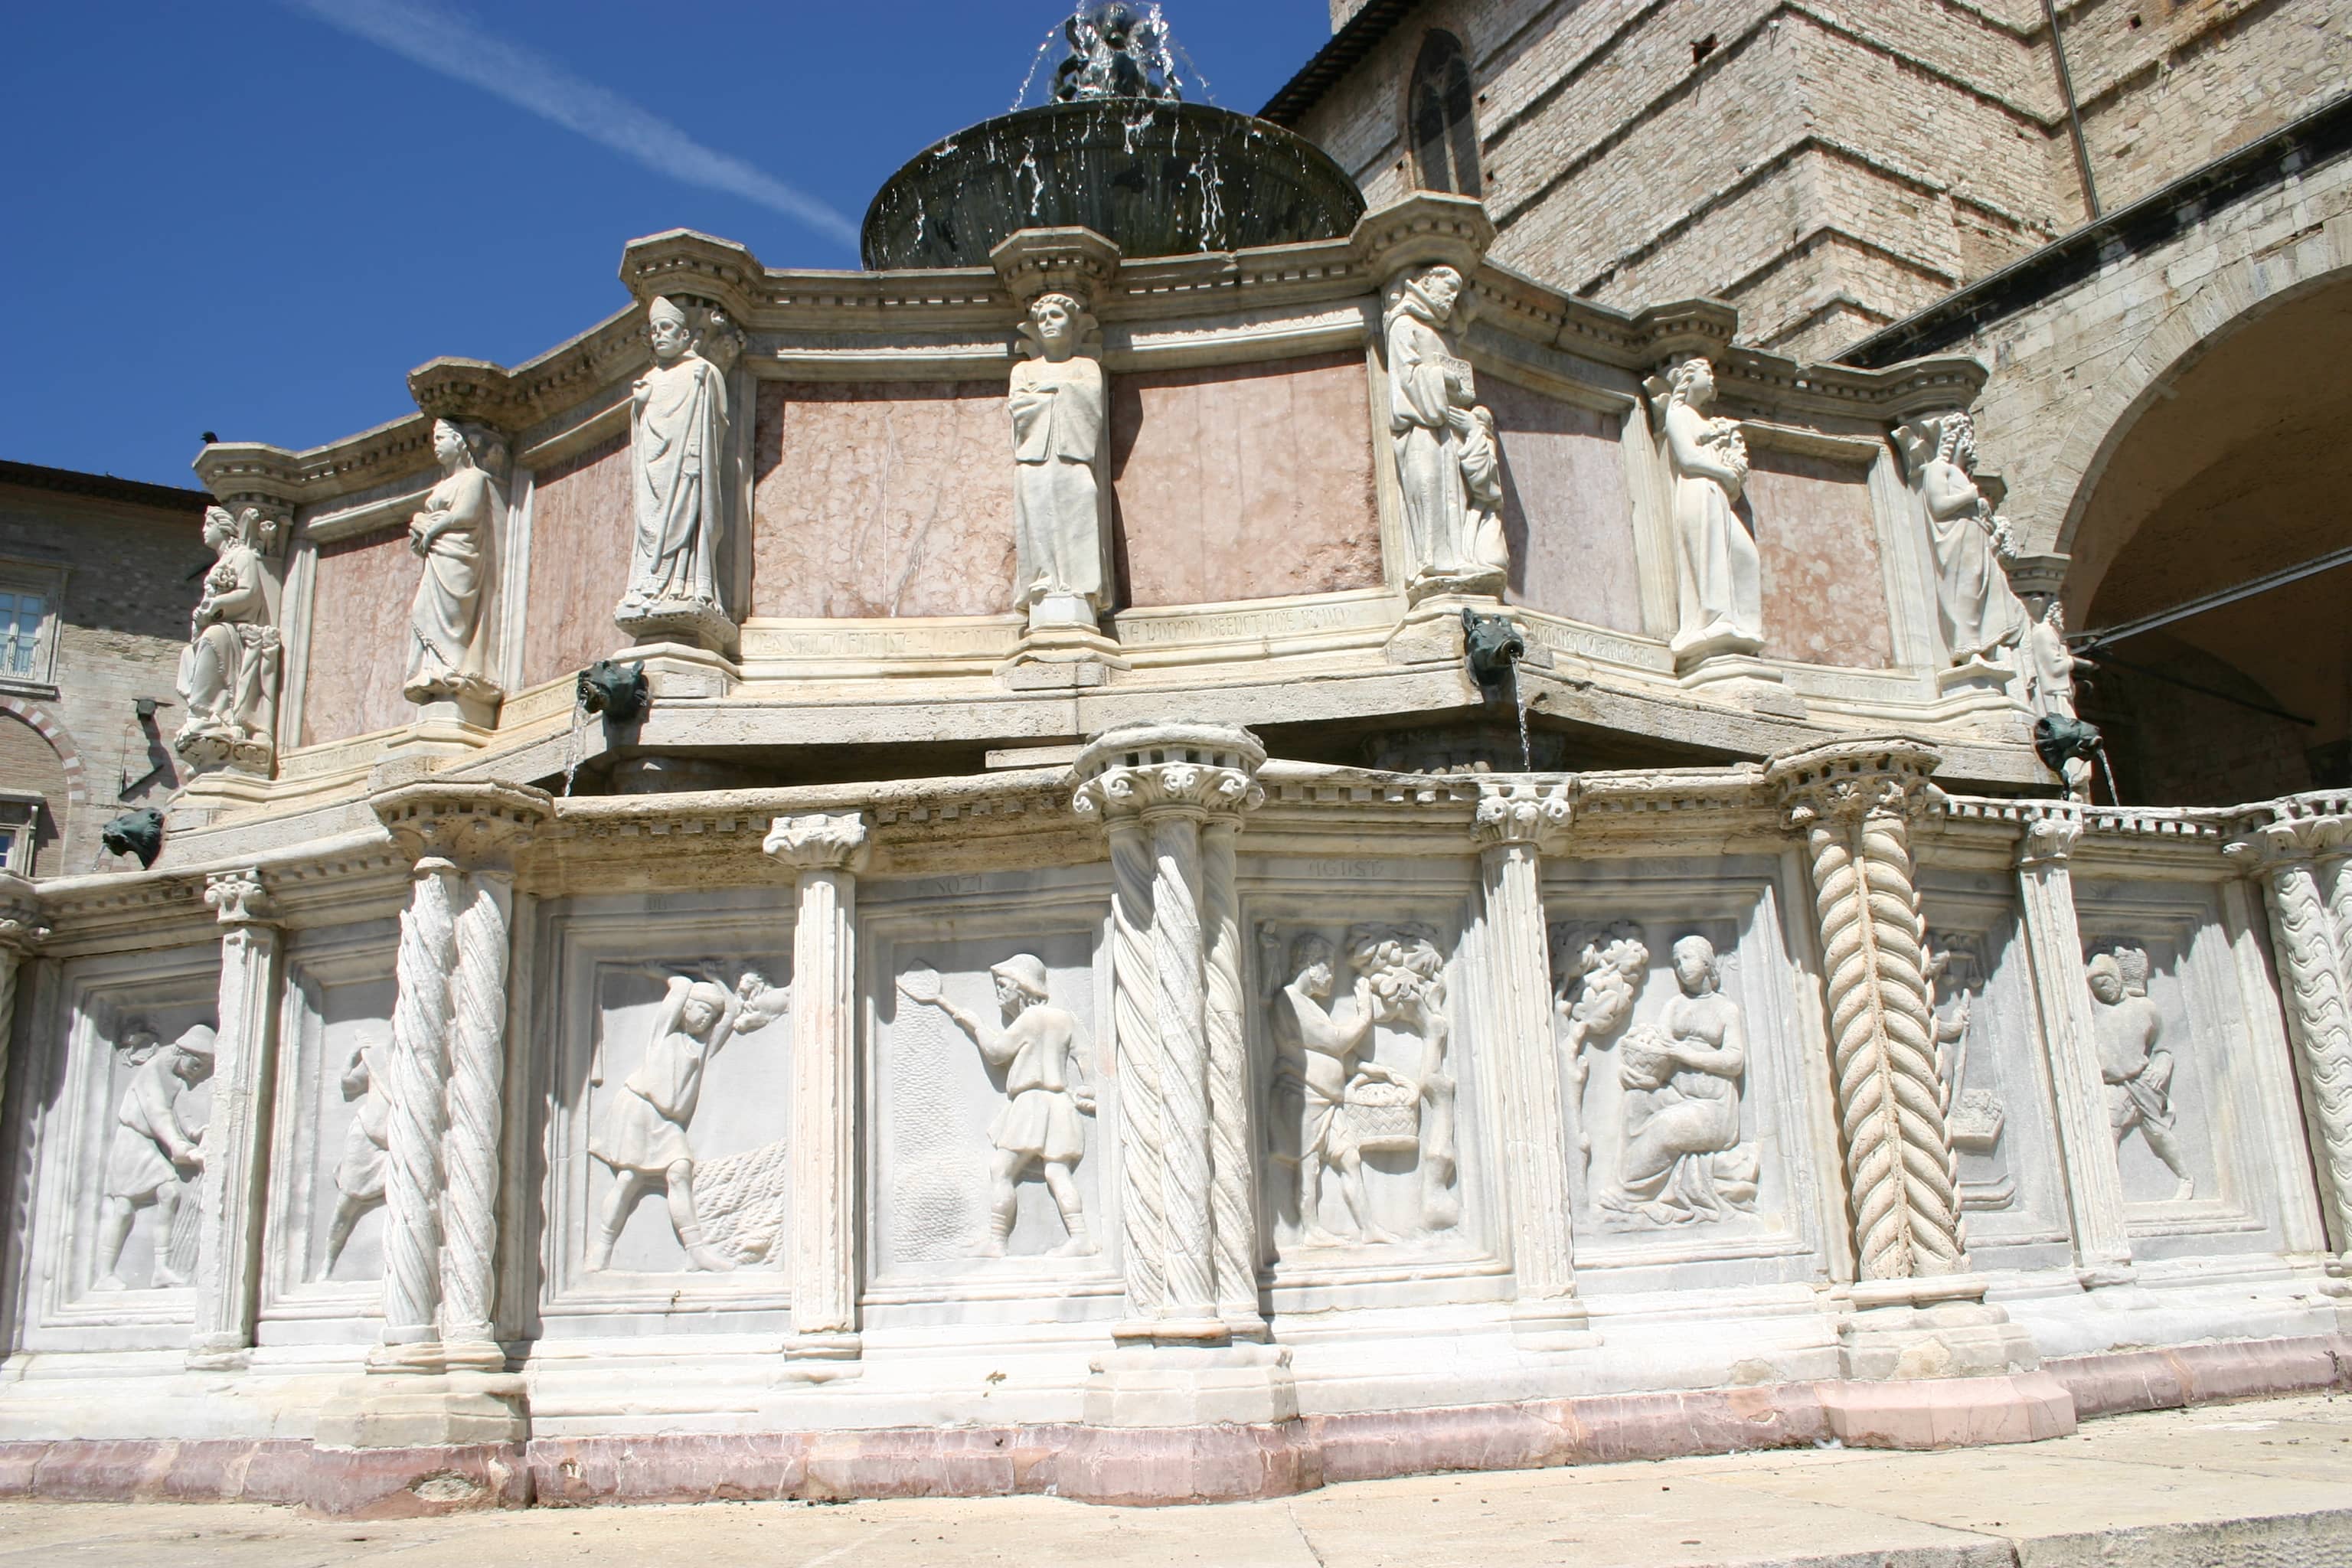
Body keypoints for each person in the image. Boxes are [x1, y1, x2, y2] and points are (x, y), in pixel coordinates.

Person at [914, 954, 1097, 1256]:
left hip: (1031, 1105)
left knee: (1001, 1169)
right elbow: (1086, 1054)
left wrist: (976, 1025)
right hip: (1059, 1105)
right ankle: (1081, 1238)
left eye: (1003, 985)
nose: (999, 992)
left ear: (1023, 987)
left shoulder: (1030, 1019)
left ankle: (997, 1242)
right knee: (1057, 1172)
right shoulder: (1065, 1019)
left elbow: (997, 1051)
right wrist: (1089, 1085)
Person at [589, 975, 754, 1272]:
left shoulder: (701, 1047)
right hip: (639, 1110)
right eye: (702, 1010)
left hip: (666, 1122)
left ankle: (695, 1251)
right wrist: (672, 976)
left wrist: (717, 979)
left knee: (679, 1171)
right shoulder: (663, 1035)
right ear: (686, 1008)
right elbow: (678, 991)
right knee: (628, 1179)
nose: (705, 1019)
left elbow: (729, 1014)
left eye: (710, 1016)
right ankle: (602, 1247)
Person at [1601, 936, 1756, 1223]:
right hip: (1676, 1093)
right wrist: (1640, 1063)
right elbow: (1661, 1045)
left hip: (1714, 1106)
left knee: (1667, 1125)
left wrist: (1686, 1053)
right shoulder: (1674, 1005)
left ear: (1706, 962)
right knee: (1636, 1102)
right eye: (1675, 962)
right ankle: (1627, 1183)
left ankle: (1632, 1196)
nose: (1680, 967)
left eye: (1686, 958)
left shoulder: (1725, 1009)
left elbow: (1735, 1061)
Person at [1269, 934, 1400, 1246]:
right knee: (1309, 1165)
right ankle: (1311, 1231)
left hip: (1327, 1100)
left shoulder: (1311, 1006)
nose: (1331, 975)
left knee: (1350, 1158)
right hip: (1303, 1097)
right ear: (1309, 965)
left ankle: (1368, 1228)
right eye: (1327, 967)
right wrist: (1365, 1014)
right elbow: (1335, 1041)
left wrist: (1364, 1068)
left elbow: (1324, 1052)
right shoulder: (1288, 1001)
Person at [623, 296, 730, 630]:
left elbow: (718, 421)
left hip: (687, 466)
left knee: (688, 518)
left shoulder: (701, 371)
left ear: (686, 335)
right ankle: (650, 583)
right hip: (655, 473)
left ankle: (685, 586)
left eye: (667, 328)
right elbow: (642, 438)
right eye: (654, 330)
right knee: (651, 521)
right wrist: (639, 407)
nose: (659, 335)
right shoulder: (650, 378)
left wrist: (697, 450)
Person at [1007, 293, 1108, 622]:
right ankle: (1043, 584)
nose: (1048, 322)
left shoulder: (1086, 367)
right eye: (1042, 317)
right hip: (1034, 455)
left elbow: (1090, 402)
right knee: (1037, 516)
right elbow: (1020, 408)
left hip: (1073, 453)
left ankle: (1081, 588)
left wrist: (1045, 394)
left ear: (1073, 324)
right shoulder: (1023, 370)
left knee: (1082, 503)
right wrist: (1061, 392)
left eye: (1056, 315)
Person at [94, 1023, 214, 1290]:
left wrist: (196, 1133)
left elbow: (180, 1114)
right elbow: (158, 1113)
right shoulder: (153, 1070)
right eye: (196, 1064)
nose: (197, 1072)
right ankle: (104, 1275)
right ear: (183, 1052)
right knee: (124, 1208)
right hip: (133, 1142)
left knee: (169, 1193)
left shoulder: (177, 1079)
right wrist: (178, 1147)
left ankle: (161, 1270)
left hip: (149, 1145)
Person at [1655, 357, 1760, 661]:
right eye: (1706, 373)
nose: (1712, 378)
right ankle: (1714, 621)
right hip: (1699, 489)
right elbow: (1688, 459)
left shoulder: (1706, 420)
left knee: (1746, 557)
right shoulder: (1678, 413)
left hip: (1716, 492)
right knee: (1710, 553)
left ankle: (1743, 625)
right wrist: (1725, 473)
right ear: (1688, 378)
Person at [1385, 264, 1480, 578]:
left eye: (1456, 292)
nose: (1452, 297)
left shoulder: (1446, 332)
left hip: (1448, 426)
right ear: (1426, 282)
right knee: (1427, 486)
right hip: (1420, 427)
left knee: (1454, 494)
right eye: (1447, 289)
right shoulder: (1404, 324)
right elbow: (1405, 380)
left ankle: (1456, 558)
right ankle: (1429, 563)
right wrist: (1442, 378)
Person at [404, 418, 500, 705]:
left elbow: (467, 514)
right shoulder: (442, 485)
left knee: (454, 614)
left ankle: (455, 671)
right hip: (437, 555)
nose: (435, 445)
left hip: (459, 554)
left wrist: (433, 527)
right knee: (422, 610)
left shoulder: (474, 478)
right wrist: (419, 523)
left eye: (440, 438)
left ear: (458, 442)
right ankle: (433, 670)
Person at [2087, 949, 2194, 1200]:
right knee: (2107, 1133)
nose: (2103, 990)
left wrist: (2162, 1066)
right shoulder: (2095, 1012)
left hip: (2141, 1082)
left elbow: (2163, 1045)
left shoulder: (2145, 1008)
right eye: (2097, 987)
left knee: (2157, 1133)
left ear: (2117, 978)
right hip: (2113, 1086)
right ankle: (2110, 1192)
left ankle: (2186, 1178)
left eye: (2106, 982)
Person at [175, 505, 279, 760]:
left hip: (238, 628)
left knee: (214, 637)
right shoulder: (224, 561)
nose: (203, 530)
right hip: (221, 624)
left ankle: (212, 714)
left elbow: (249, 593)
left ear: (224, 529)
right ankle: (205, 713)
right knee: (188, 653)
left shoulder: (243, 556)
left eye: (208, 525)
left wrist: (216, 606)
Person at [324, 1036, 389, 1273]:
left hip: (396, 1143)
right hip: (364, 1139)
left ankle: (388, 1272)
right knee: (346, 1205)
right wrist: (353, 1054)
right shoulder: (377, 1056)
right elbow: (349, 1085)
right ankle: (329, 1261)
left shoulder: (425, 1060)